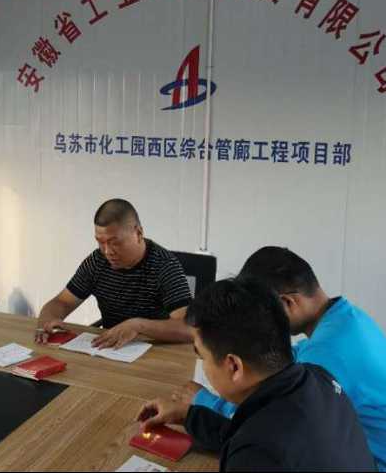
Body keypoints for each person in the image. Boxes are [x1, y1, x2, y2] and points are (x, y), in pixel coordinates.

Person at [137, 278, 376, 471]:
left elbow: (260, 446)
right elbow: (254, 433)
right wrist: (189, 416)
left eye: (203, 356)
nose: (204, 366)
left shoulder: (257, 455)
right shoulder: (317, 378)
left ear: (234, 366)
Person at [181, 247, 386, 471]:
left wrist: (205, 401)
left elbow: (265, 418)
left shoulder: (325, 356)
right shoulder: (344, 322)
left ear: (286, 303)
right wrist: (191, 416)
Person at [36, 199, 192, 348]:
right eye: (100, 242)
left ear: (138, 233)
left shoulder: (165, 265)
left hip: (155, 350)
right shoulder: (97, 261)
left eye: (115, 242)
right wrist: (48, 321)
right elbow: (62, 302)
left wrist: (138, 325)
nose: (107, 251)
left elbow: (188, 328)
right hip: (110, 349)